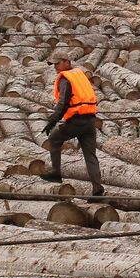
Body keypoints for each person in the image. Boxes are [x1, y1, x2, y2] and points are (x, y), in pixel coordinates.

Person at [41, 59, 105, 197]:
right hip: (89, 122)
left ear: (66, 62)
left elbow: (63, 103)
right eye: (53, 64)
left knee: (53, 138)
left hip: (76, 122)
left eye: (57, 63)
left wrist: (52, 121)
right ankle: (97, 188)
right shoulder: (79, 75)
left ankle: (55, 174)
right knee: (90, 156)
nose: (55, 67)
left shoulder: (66, 79)